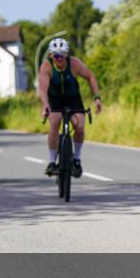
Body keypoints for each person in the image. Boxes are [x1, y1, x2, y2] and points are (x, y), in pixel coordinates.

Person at [37, 38, 102, 177]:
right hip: (54, 100)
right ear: (51, 56)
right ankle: (52, 162)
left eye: (62, 55)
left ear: (66, 55)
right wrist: (46, 105)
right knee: (54, 123)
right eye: (55, 56)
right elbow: (43, 90)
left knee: (79, 127)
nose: (59, 59)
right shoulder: (46, 66)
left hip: (73, 99)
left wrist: (97, 98)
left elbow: (90, 77)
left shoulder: (74, 63)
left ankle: (77, 159)